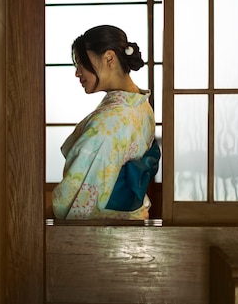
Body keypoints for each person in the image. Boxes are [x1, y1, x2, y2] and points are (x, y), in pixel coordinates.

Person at [52, 25, 159, 220]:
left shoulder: (107, 124)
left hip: (105, 232)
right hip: (134, 220)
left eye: (81, 63)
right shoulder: (143, 106)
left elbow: (74, 203)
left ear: (109, 58)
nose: (77, 73)